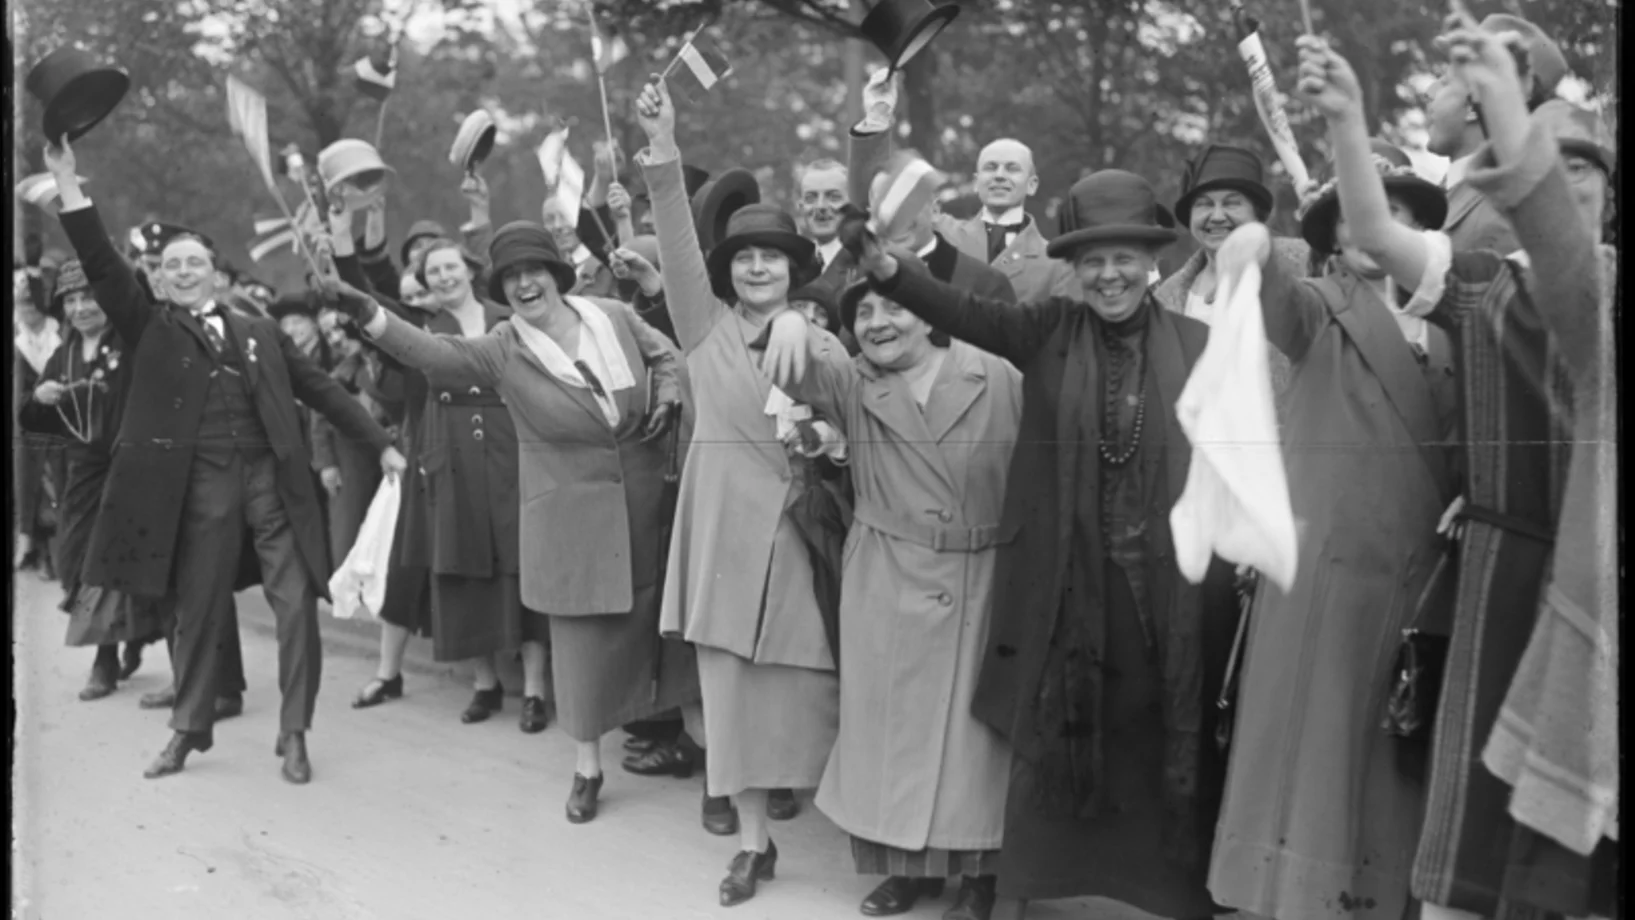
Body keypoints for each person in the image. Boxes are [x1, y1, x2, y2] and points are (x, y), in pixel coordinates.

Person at [1203, 34, 1585, 920]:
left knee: (1392, 755)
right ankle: (1282, 897)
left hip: (1423, 583)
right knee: (1308, 749)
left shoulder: (1463, 325)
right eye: (1360, 219)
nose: (1383, 232)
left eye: (1409, 215)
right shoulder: (1316, 309)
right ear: (1335, 237)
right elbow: (1267, 294)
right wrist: (1252, 244)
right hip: (1324, 583)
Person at [849, 160, 1235, 918]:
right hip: (1064, 584)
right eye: (1092, 261)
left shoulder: (1198, 345)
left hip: (1165, 589)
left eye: (1124, 258)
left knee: (1152, 730)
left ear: (1152, 263)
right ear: (1073, 270)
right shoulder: (1046, 330)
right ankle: (1024, 887)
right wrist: (890, 270)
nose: (1109, 275)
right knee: (1053, 728)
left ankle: (1167, 891)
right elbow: (961, 311)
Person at [45, 136, 404, 785]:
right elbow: (100, 262)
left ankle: (294, 733)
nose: (183, 272)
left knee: (295, 605)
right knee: (199, 610)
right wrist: (71, 187)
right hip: (198, 491)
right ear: (158, 276)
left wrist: (381, 446)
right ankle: (187, 732)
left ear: (214, 271)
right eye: (171, 265)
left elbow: (320, 388)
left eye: (194, 263)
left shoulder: (260, 331)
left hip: (272, 486)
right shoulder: (148, 327)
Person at [336, 219, 702, 824]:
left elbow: (667, 355)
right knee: (585, 654)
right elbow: (434, 354)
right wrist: (371, 316)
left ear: (558, 274)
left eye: (534, 270)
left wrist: (667, 391)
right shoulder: (506, 346)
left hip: (650, 513)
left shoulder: (610, 313)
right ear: (501, 289)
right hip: (572, 526)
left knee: (676, 645)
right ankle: (587, 770)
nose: (525, 283)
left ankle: (715, 776)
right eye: (510, 277)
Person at [1406, 20, 1619, 920]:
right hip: (1517, 549)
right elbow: (1383, 237)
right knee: (1493, 799)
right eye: (1553, 166)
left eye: (1587, 170)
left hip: (1591, 565)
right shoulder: (1496, 267)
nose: (1566, 182)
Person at [638, 74, 849, 907]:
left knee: (805, 685)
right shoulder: (704, 328)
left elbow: (854, 436)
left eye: (773, 258)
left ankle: (841, 821)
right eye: (746, 257)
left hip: (798, 539)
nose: (757, 266)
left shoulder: (827, 348)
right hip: (721, 537)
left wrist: (829, 440)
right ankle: (754, 845)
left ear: (795, 271)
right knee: (728, 694)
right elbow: (676, 242)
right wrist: (664, 149)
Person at [760, 272, 1023, 920]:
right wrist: (791, 323)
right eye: (865, 311)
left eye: (895, 306)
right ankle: (906, 871)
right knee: (891, 732)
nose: (878, 321)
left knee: (975, 743)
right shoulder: (853, 380)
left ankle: (983, 876)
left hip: (983, 575)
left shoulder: (995, 374)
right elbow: (802, 369)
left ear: (930, 311)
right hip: (887, 575)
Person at [388, 236, 552, 729]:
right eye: (432, 271)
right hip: (449, 451)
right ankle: (485, 683)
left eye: (450, 267)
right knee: (461, 563)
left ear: (469, 269)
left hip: (509, 442)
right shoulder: (421, 328)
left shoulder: (509, 317)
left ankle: (536, 691)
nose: (443, 277)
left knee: (521, 560)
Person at [18, 260, 166, 700]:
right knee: (74, 566)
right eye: (72, 300)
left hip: (130, 468)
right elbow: (32, 421)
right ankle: (121, 640)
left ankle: (105, 658)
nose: (81, 307)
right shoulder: (61, 354)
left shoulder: (129, 339)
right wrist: (39, 399)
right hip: (80, 475)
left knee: (119, 563)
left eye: (89, 297)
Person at [1152, 143, 1308, 412]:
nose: (1216, 216)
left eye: (1232, 203)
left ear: (1257, 213)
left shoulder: (1302, 262)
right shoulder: (1167, 296)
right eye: (1203, 205)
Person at [310, 314, 390, 569]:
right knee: (348, 526)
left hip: (393, 452)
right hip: (350, 459)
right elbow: (320, 419)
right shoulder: (338, 375)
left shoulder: (388, 364)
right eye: (328, 334)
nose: (336, 339)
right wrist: (327, 464)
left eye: (338, 329)